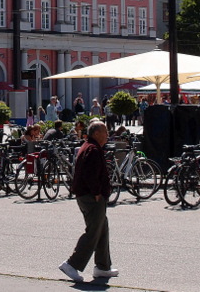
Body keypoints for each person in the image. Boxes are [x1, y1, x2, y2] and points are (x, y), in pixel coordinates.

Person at [59, 121, 118, 283]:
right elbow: (90, 174)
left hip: (88, 195)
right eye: (105, 132)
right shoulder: (92, 149)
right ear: (96, 133)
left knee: (102, 228)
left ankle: (102, 267)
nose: (107, 135)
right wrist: (97, 193)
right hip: (91, 197)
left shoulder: (90, 147)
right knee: (93, 232)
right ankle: (71, 264)